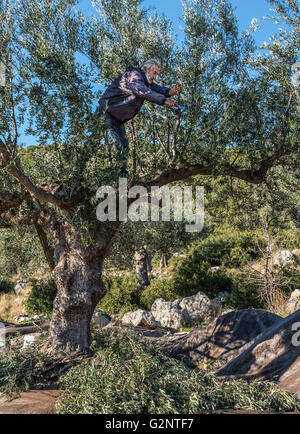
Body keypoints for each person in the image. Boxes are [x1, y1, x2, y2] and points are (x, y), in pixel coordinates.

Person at [97, 59, 182, 174]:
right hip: (106, 111)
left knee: (124, 148)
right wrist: (164, 100)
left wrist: (172, 92)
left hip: (117, 120)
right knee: (94, 140)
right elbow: (142, 90)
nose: (155, 77)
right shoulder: (134, 75)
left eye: (157, 74)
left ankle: (120, 178)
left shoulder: (146, 82)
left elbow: (157, 89)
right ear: (146, 69)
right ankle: (78, 172)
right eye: (154, 73)